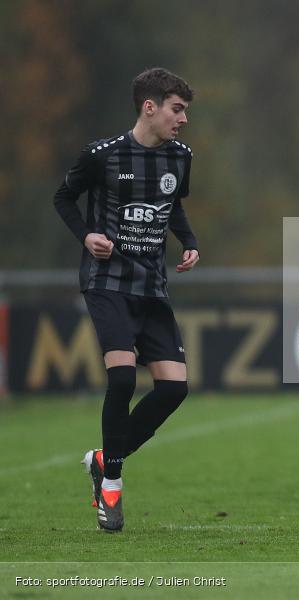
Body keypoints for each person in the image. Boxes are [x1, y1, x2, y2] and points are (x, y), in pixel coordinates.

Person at [53, 68, 199, 532]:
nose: (183, 120)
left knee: (175, 388)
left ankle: (102, 458)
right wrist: (87, 235)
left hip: (152, 286)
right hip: (108, 281)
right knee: (121, 380)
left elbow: (172, 203)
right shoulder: (102, 155)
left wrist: (189, 241)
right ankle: (111, 486)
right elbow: (63, 199)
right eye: (178, 110)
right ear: (149, 107)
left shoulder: (181, 157)